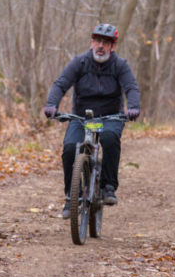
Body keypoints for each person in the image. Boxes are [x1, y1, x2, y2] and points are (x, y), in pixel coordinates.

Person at [43, 23, 140, 219]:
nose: (100, 46)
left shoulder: (120, 65)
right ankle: (72, 196)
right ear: (91, 42)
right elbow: (60, 84)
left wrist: (133, 108)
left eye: (106, 42)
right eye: (97, 41)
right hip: (82, 116)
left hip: (110, 116)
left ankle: (108, 186)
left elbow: (131, 87)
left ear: (113, 46)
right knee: (70, 148)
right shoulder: (79, 63)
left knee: (110, 138)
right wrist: (52, 104)